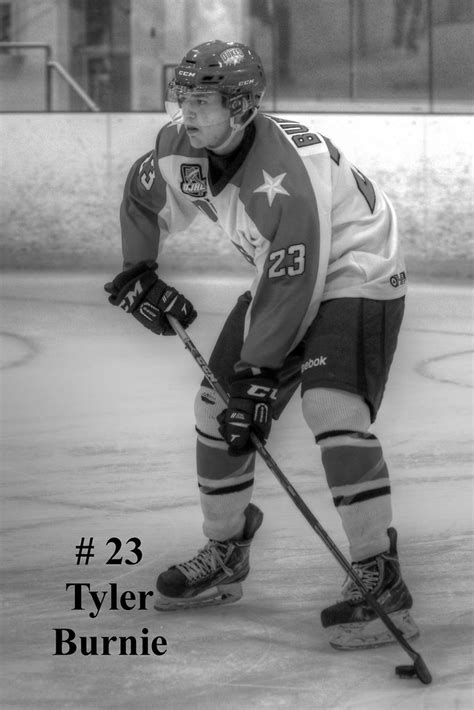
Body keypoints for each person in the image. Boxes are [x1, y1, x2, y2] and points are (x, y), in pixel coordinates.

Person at [105, 39, 418, 650]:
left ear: (243, 106)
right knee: (216, 409)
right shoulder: (180, 148)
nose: (187, 112)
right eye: (183, 96)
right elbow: (142, 197)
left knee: (332, 409)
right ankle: (226, 552)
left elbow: (298, 278)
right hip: (285, 269)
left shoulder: (284, 171)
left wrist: (258, 374)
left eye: (203, 100)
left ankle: (381, 575)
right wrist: (137, 270)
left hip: (357, 271)